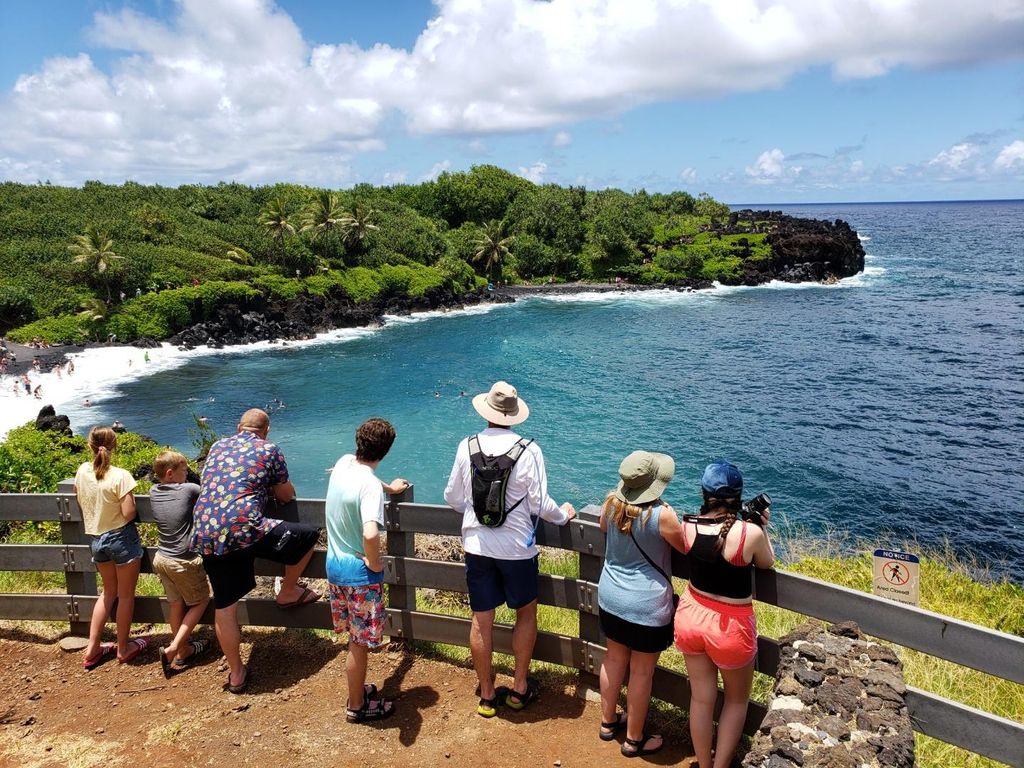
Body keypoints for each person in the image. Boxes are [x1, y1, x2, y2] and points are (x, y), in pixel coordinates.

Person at [444, 381, 576, 717]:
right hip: (517, 548)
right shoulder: (529, 450)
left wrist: (478, 514)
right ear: (514, 415)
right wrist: (564, 515)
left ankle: (487, 695)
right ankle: (519, 688)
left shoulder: (466, 445)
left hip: (477, 545)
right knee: (525, 614)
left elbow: (453, 498)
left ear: (486, 410)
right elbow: (540, 503)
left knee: (481, 620)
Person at [191, 408, 322, 694]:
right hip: (244, 528)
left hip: (206, 532)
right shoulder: (269, 449)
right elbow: (286, 495)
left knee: (225, 605)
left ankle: (236, 674)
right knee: (309, 536)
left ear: (239, 427)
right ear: (266, 431)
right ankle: (288, 590)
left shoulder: (217, 446)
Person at [674, 461, 775, 768]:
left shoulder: (688, 524)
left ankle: (704, 764)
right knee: (736, 700)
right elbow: (767, 563)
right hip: (730, 627)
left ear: (704, 493)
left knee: (701, 699)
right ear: (739, 496)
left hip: (691, 615)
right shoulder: (749, 533)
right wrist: (761, 526)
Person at [597, 451, 685, 757]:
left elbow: (604, 530)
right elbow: (685, 547)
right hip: (647, 606)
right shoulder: (662, 516)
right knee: (641, 673)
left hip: (610, 596)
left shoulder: (610, 504)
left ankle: (608, 723)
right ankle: (634, 740)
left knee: (613, 660)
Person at [324, 418, 409, 723]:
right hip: (359, 574)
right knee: (358, 644)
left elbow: (363, 480)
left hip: (334, 567)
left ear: (358, 441)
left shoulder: (344, 462)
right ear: (385, 452)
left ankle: (358, 688)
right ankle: (357, 705)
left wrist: (388, 487)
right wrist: (375, 564)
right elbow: (371, 533)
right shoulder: (369, 486)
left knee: (353, 638)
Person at [75, 427, 147, 668]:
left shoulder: (82, 471)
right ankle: (123, 648)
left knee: (107, 593)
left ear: (90, 445)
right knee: (125, 596)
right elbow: (128, 513)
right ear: (114, 446)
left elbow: (80, 500)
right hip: (120, 537)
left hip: (96, 538)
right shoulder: (121, 475)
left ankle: (92, 648)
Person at [150, 450, 212, 677]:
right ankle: (174, 648)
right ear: (170, 473)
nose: (188, 474)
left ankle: (184, 649)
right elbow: (208, 494)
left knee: (176, 604)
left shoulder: (153, 490)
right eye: (184, 470)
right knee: (200, 601)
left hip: (162, 558)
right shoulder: (189, 489)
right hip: (183, 561)